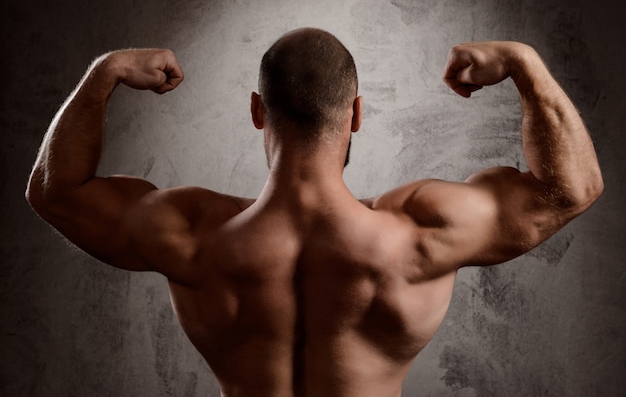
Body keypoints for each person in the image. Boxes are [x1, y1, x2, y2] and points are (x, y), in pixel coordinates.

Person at [26, 28, 603, 397]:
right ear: (355, 114)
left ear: (258, 111)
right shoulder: (420, 233)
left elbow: (55, 192)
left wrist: (103, 73)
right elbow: (571, 187)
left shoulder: (193, 233)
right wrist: (524, 64)